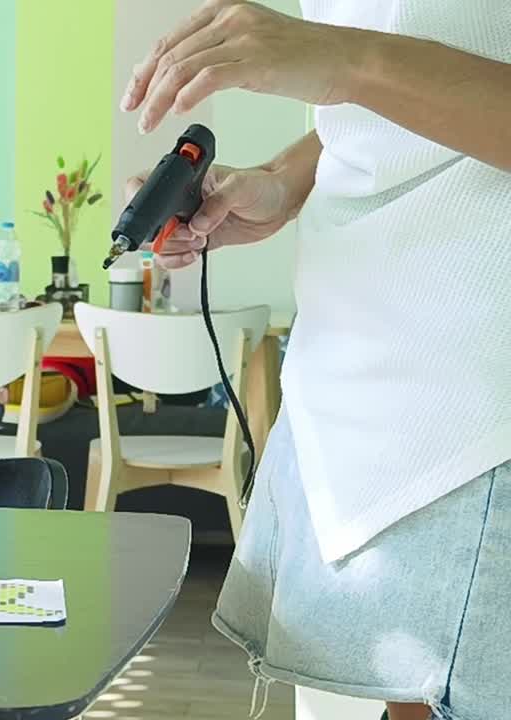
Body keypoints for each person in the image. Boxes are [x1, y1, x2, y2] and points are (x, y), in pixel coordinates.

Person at [121, 2, 511, 718]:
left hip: (482, 405)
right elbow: (390, 109)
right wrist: (281, 179)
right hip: (337, 392)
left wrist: (343, 59)